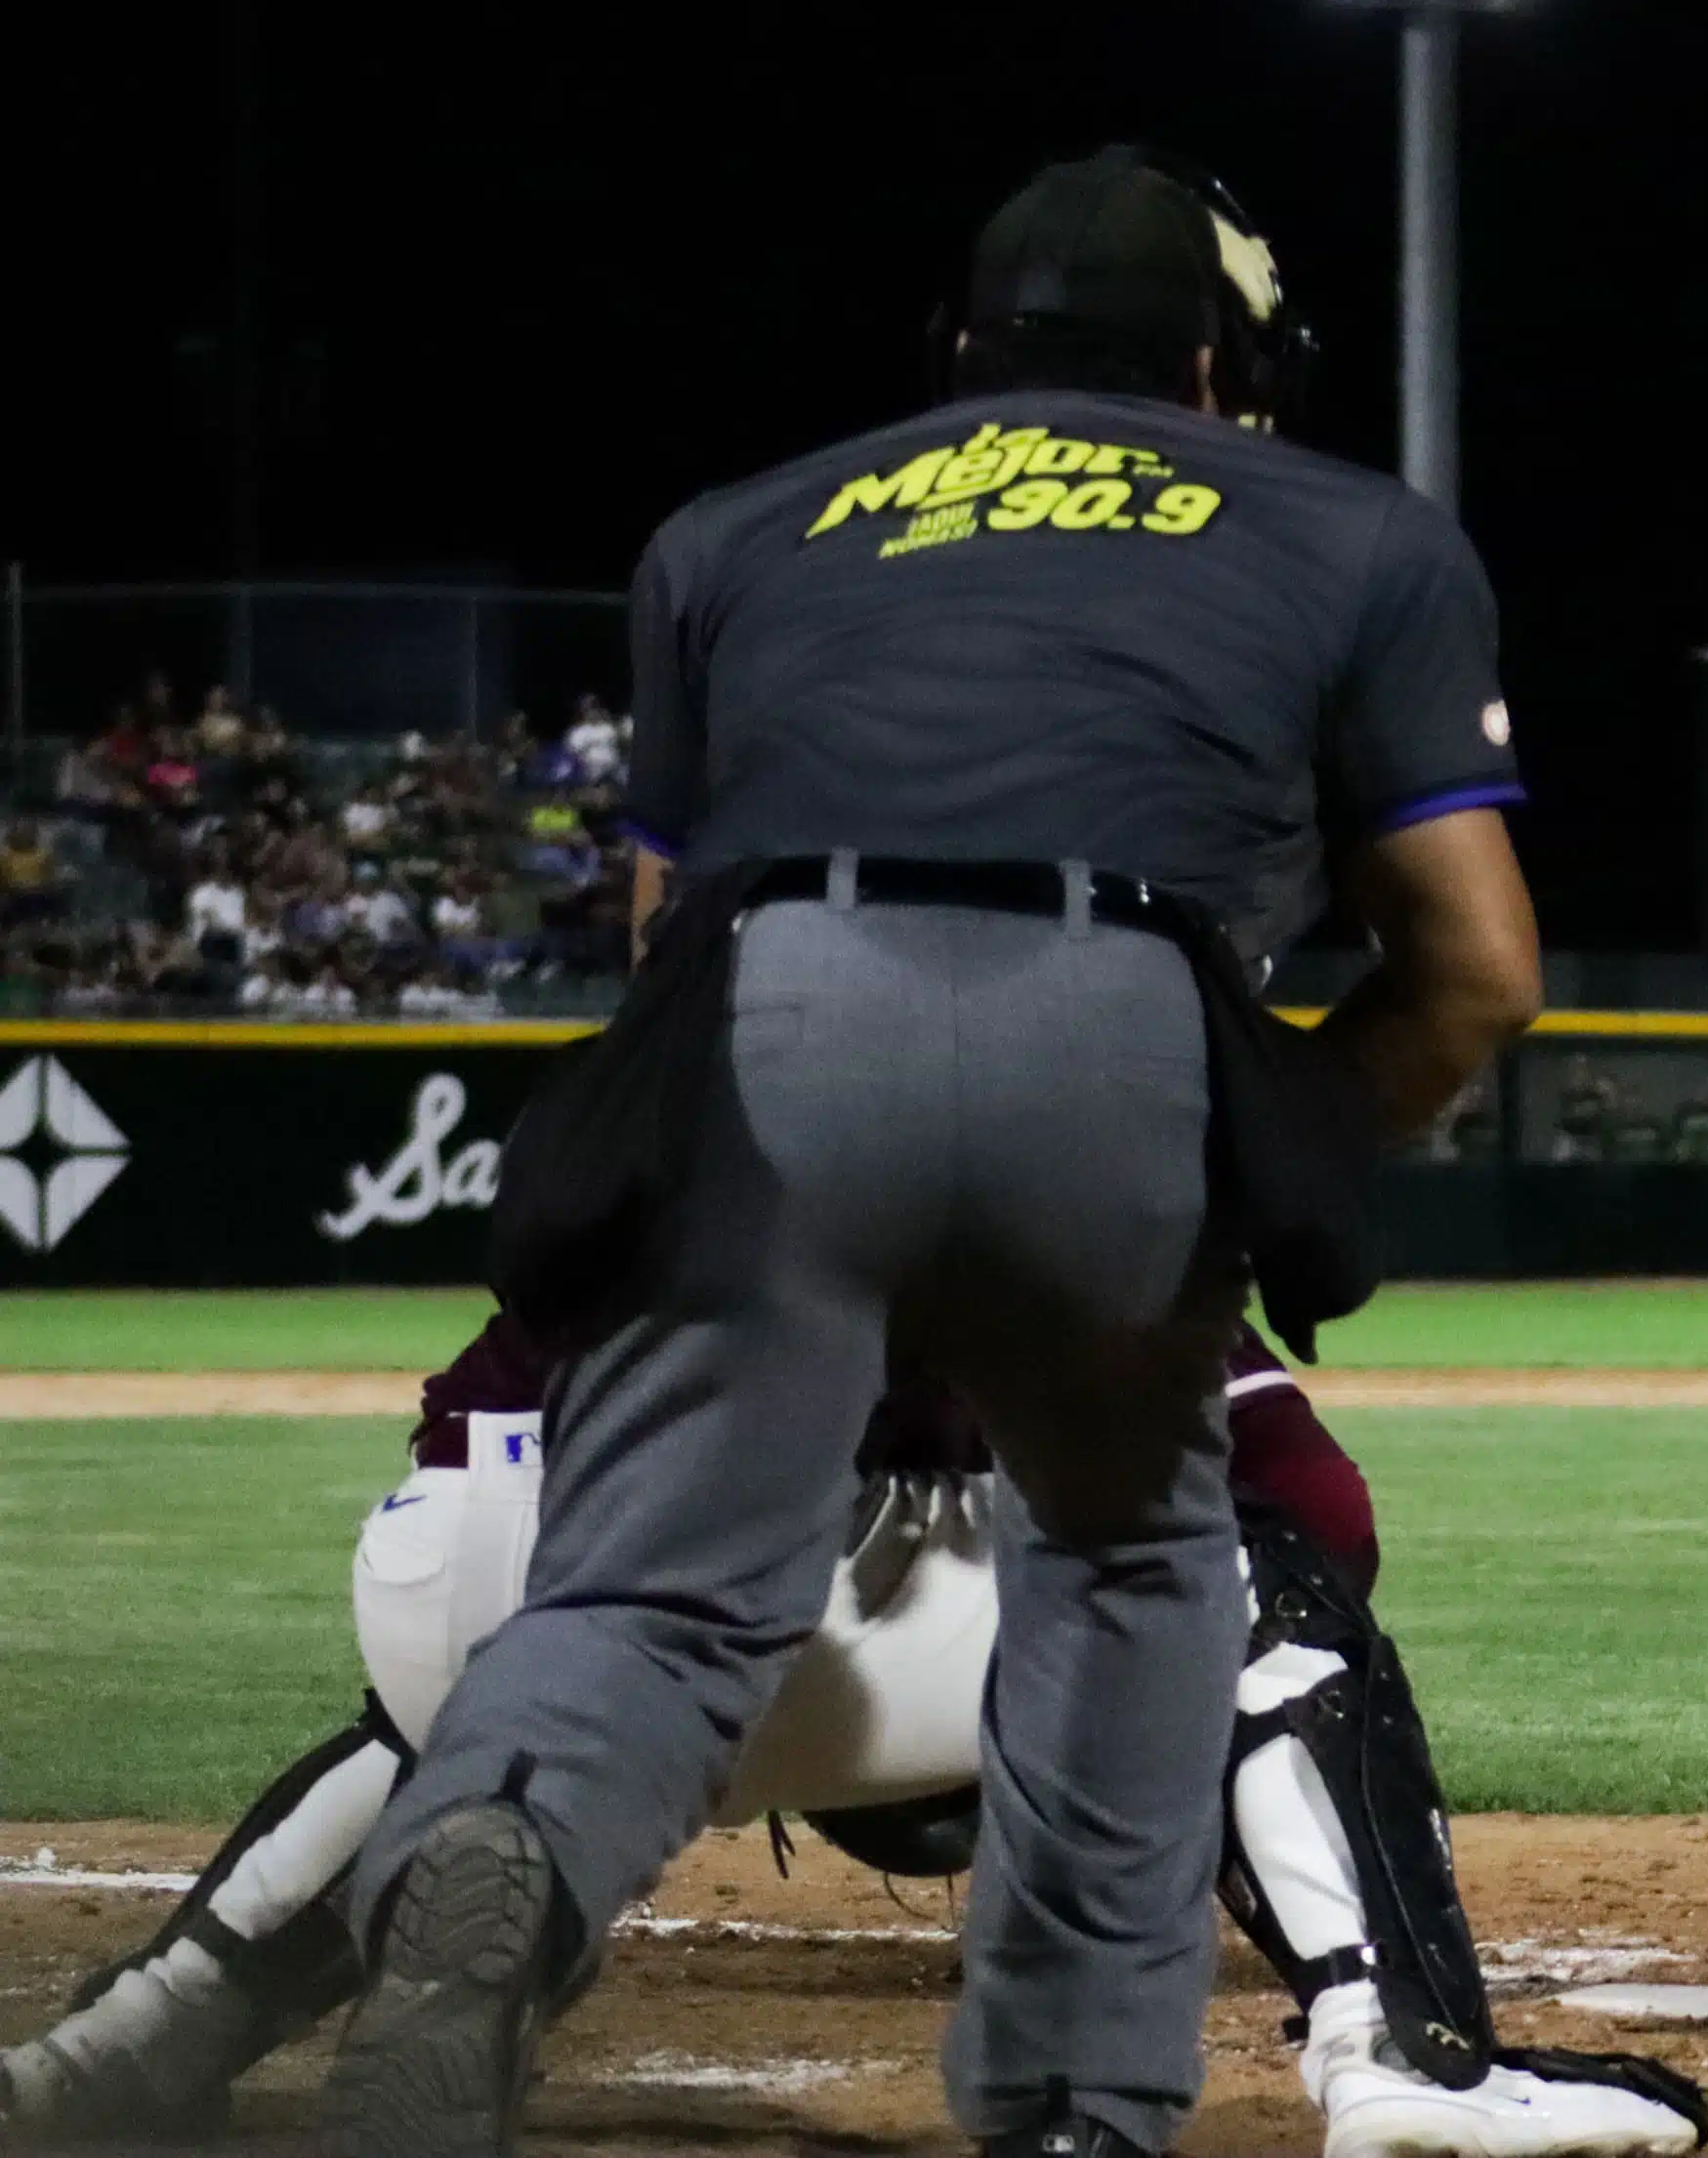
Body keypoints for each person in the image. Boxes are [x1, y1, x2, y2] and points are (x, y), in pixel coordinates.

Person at [312, 147, 1543, 2158]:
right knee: (1135, 1572)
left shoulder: (737, 530)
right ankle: (1067, 2101)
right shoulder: (1358, 531)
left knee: (645, 1597)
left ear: (966, 353)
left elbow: (660, 954)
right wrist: (1289, 1135)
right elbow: (1479, 969)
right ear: (1224, 368)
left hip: (769, 999)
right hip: (1123, 1004)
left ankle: (508, 1858)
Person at [0, 1311, 1702, 2158]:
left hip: (470, 1545)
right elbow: (1313, 1499)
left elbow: (482, 1413)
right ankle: (1400, 2040)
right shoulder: (1049, 1079)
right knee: (1262, 1574)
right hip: (793, 1609)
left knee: (447, 1709)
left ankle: (149, 2030)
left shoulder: (690, 1042)